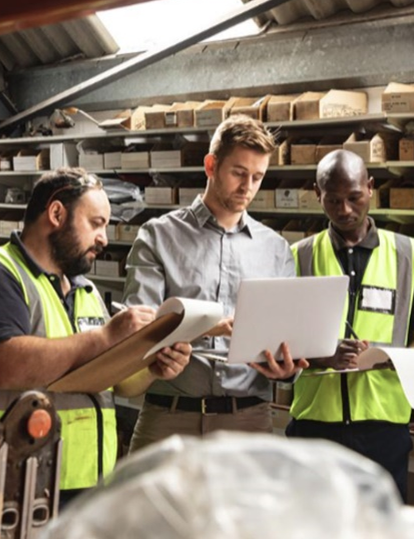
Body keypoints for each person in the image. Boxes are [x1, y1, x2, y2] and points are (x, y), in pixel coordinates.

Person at [0, 168, 191, 500]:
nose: (103, 238)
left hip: (82, 478)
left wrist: (153, 367)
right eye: (96, 223)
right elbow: (5, 366)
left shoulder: (84, 291)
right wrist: (105, 337)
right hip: (4, 475)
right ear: (57, 214)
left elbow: (122, 384)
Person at [124, 115, 304, 451]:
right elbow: (137, 333)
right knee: (148, 506)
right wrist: (210, 327)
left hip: (248, 420)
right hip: (169, 418)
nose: (247, 186)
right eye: (238, 173)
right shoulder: (158, 236)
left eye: (257, 177)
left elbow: (284, 338)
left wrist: (286, 369)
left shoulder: (276, 249)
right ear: (211, 165)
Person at [287, 148, 414, 500]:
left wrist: (391, 358)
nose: (345, 210)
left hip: (384, 428)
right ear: (317, 195)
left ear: (370, 188)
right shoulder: (298, 257)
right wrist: (326, 356)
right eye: (333, 200)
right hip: (315, 427)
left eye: (354, 198)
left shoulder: (407, 254)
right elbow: (282, 340)